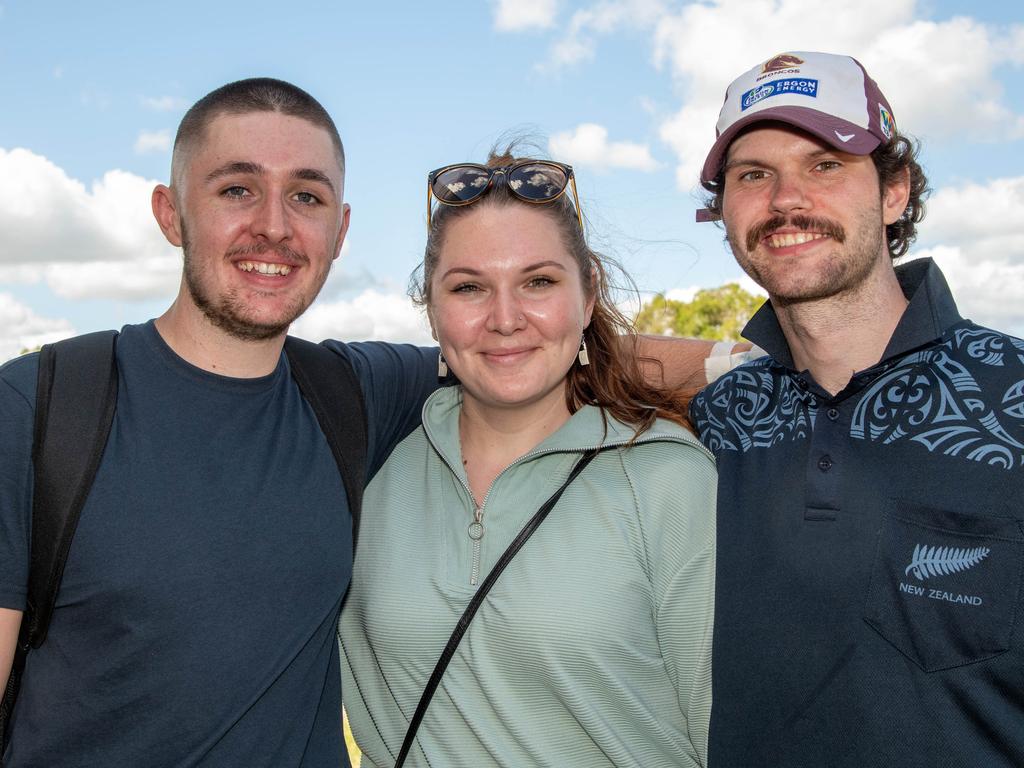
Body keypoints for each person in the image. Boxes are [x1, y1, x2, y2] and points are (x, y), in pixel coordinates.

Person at [0, 78, 440, 767]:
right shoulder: (36, 409)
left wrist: (680, 391)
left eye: (307, 195)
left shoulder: (354, 395)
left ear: (341, 229)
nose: (274, 225)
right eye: (237, 189)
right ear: (170, 213)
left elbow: (534, 348)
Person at [689, 51, 1024, 767]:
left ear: (894, 191)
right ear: (724, 212)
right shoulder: (711, 427)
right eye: (753, 175)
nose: (785, 200)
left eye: (826, 164)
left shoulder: (1013, 398)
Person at [340, 151, 717, 767]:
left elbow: (723, 726)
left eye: (539, 282)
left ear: (589, 296)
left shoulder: (669, 477)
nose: (506, 319)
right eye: (469, 288)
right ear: (430, 309)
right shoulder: (372, 476)